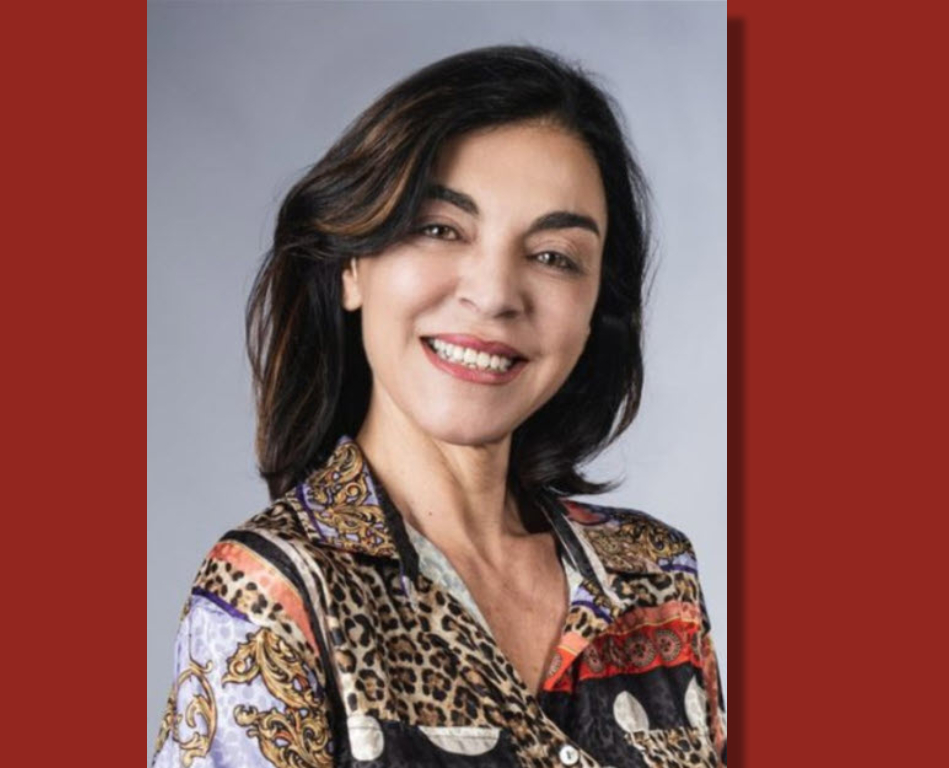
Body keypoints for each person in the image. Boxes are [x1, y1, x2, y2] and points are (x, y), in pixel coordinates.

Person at [151, 44, 726, 768]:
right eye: (440, 228)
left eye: (552, 255)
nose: (492, 294)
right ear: (352, 266)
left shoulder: (657, 577)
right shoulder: (274, 597)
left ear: (594, 311)